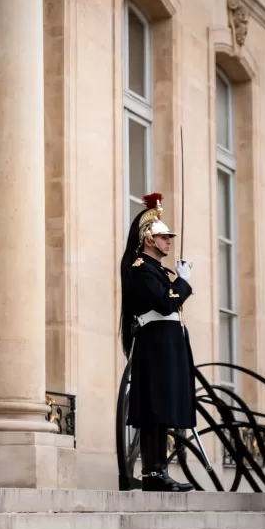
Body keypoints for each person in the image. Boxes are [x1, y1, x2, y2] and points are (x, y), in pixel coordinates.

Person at [119, 192, 195, 493]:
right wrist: (183, 282)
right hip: (155, 347)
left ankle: (158, 470)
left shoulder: (157, 270)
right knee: (155, 410)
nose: (169, 242)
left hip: (166, 346)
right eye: (164, 237)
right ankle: (153, 472)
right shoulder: (141, 269)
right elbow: (165, 304)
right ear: (149, 239)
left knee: (162, 410)